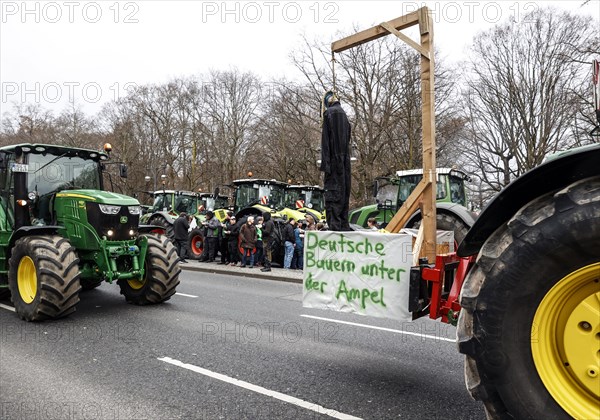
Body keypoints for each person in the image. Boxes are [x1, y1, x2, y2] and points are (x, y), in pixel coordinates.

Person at [320, 90, 352, 231]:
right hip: (345, 163)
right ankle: (343, 224)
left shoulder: (329, 114)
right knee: (344, 193)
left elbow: (325, 142)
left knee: (333, 195)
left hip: (333, 163)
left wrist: (325, 164)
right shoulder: (344, 116)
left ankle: (335, 225)